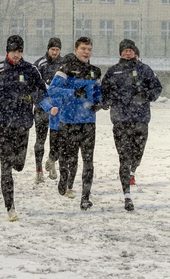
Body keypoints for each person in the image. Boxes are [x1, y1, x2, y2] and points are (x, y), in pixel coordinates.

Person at [0, 34, 47, 222]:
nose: (16, 55)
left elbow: (42, 90)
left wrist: (33, 96)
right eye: (13, 51)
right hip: (2, 123)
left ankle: (13, 169)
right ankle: (10, 207)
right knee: (6, 166)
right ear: (7, 52)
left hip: (23, 122)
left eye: (19, 51)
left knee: (19, 164)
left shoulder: (31, 69)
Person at [101, 39, 162, 212]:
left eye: (130, 50)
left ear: (135, 52)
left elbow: (157, 88)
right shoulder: (113, 71)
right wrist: (106, 101)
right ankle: (127, 194)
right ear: (120, 53)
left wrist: (146, 95)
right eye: (124, 51)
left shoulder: (144, 69)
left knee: (137, 152)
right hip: (120, 119)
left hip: (140, 119)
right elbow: (104, 91)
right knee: (123, 156)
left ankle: (134, 168)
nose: (127, 53)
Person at [47, 36, 102, 210]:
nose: (86, 52)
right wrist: (73, 93)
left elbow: (98, 92)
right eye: (83, 49)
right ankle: (64, 178)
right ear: (76, 49)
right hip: (68, 121)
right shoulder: (66, 68)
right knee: (68, 158)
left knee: (88, 161)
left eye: (89, 49)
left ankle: (85, 197)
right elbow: (53, 90)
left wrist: (100, 102)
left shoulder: (95, 71)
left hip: (88, 122)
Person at [32, 37, 65, 183]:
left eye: (57, 50)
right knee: (40, 140)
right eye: (53, 49)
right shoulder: (39, 64)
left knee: (56, 140)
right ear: (48, 49)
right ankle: (38, 171)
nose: (55, 52)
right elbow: (34, 86)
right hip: (42, 108)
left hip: (57, 109)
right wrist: (42, 101)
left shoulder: (64, 64)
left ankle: (52, 160)